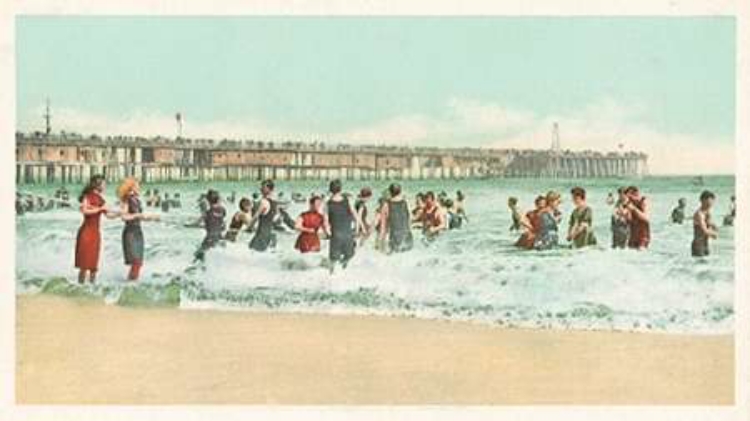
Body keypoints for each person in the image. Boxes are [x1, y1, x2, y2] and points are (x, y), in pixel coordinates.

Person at [74, 175, 119, 284]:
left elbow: (108, 215)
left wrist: (118, 214)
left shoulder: (100, 199)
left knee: (93, 265)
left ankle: (92, 289)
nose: (105, 186)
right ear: (97, 185)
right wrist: (100, 209)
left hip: (95, 234)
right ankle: (80, 288)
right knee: (84, 265)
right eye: (104, 184)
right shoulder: (87, 197)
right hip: (86, 233)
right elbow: (85, 211)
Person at [118, 178, 159, 281]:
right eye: (137, 185)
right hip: (130, 232)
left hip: (138, 231)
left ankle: (132, 283)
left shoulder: (137, 200)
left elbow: (139, 217)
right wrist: (138, 215)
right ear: (131, 187)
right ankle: (129, 283)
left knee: (139, 263)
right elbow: (124, 217)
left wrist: (151, 218)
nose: (139, 187)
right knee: (136, 262)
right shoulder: (127, 199)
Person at [326, 179, 360, 268]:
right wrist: (356, 230)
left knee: (333, 260)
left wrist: (328, 233)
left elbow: (325, 222)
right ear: (340, 189)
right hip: (348, 234)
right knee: (348, 256)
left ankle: (331, 276)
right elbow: (356, 217)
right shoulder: (347, 201)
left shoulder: (328, 204)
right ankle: (344, 272)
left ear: (330, 190)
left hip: (336, 235)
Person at [379, 183, 414, 253]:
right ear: (400, 191)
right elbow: (409, 220)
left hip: (395, 238)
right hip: (408, 236)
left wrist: (381, 245)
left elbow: (383, 227)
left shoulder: (386, 205)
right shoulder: (405, 203)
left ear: (390, 192)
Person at [194, 189, 226, 262]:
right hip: (220, 237)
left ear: (208, 200)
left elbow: (198, 223)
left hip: (209, 238)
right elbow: (222, 224)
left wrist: (188, 225)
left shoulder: (207, 212)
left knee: (198, 257)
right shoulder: (222, 210)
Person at [248, 179, 278, 252]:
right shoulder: (275, 202)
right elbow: (277, 218)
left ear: (269, 189)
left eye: (263, 187)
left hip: (261, 234)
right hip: (270, 234)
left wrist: (249, 227)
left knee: (252, 252)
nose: (260, 189)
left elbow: (255, 217)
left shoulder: (264, 202)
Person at [692, 190, 719, 257]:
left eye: (712, 202)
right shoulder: (699, 214)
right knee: (699, 265)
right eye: (708, 203)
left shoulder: (707, 213)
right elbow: (704, 230)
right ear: (702, 201)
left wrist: (714, 227)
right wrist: (713, 234)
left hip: (705, 243)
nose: (710, 205)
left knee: (706, 265)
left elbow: (710, 223)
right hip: (698, 244)